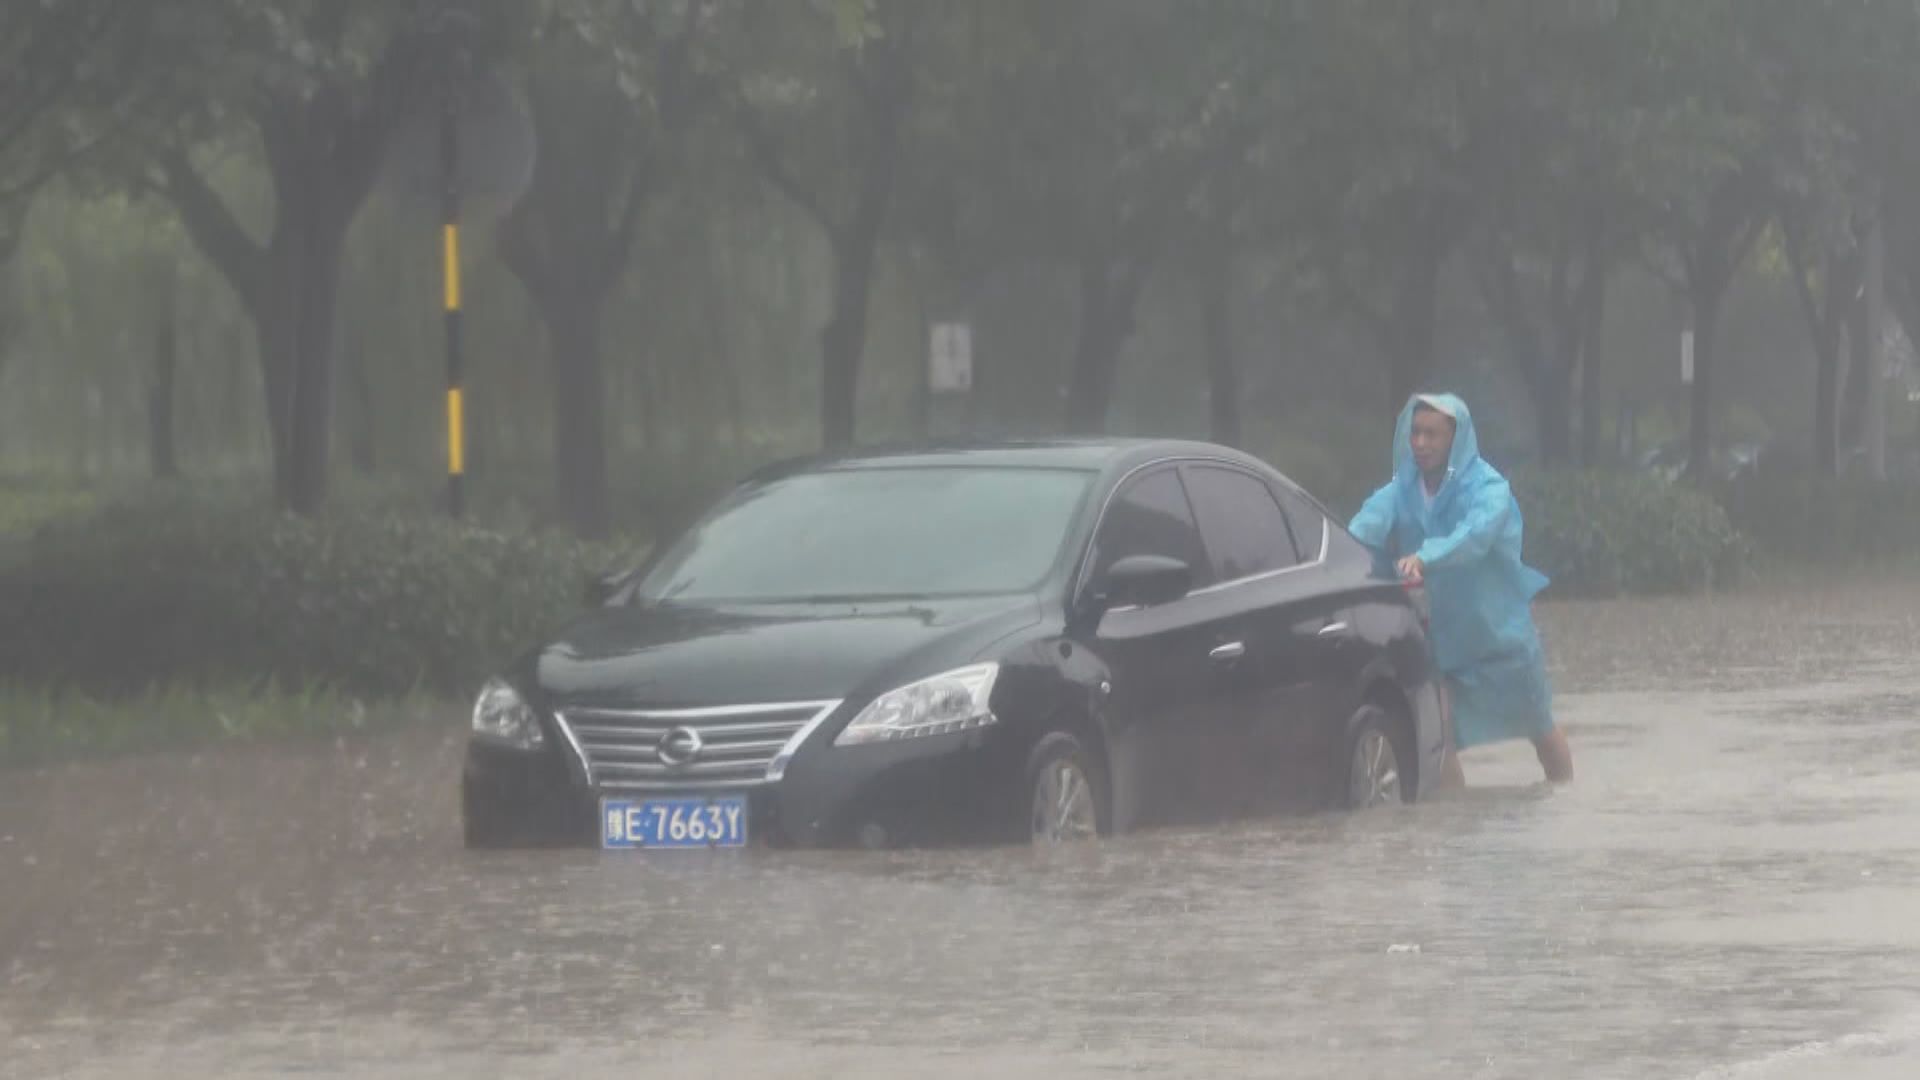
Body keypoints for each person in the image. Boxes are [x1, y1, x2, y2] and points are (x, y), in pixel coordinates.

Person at [1349, 392, 1574, 787]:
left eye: (1432, 434)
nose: (1420, 443)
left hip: (1500, 638)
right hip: (1443, 641)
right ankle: (1459, 829)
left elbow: (1475, 536)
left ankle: (1565, 795)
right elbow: (1363, 527)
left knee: (1539, 727)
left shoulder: (1489, 489)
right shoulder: (1402, 488)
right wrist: (1338, 556)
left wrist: (1424, 557)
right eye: (1415, 432)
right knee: (1439, 736)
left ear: (1455, 438)